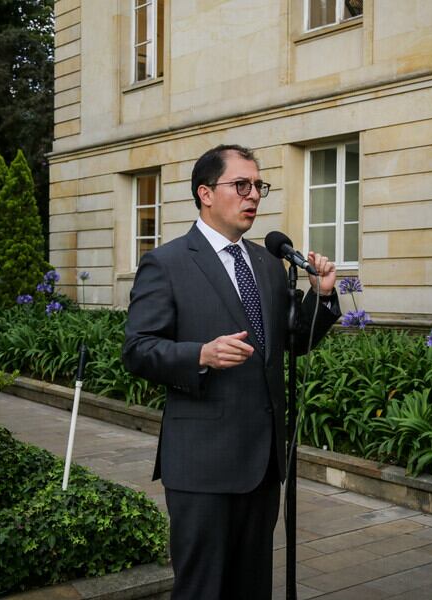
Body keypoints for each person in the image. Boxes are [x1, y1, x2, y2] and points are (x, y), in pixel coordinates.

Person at [122, 144, 340, 599]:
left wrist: (321, 296)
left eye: (259, 185)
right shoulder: (168, 262)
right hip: (201, 465)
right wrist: (199, 354)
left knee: (251, 588)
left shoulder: (267, 263)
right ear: (205, 193)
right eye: (241, 185)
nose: (254, 195)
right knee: (203, 589)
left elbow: (293, 343)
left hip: (261, 464)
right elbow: (138, 350)